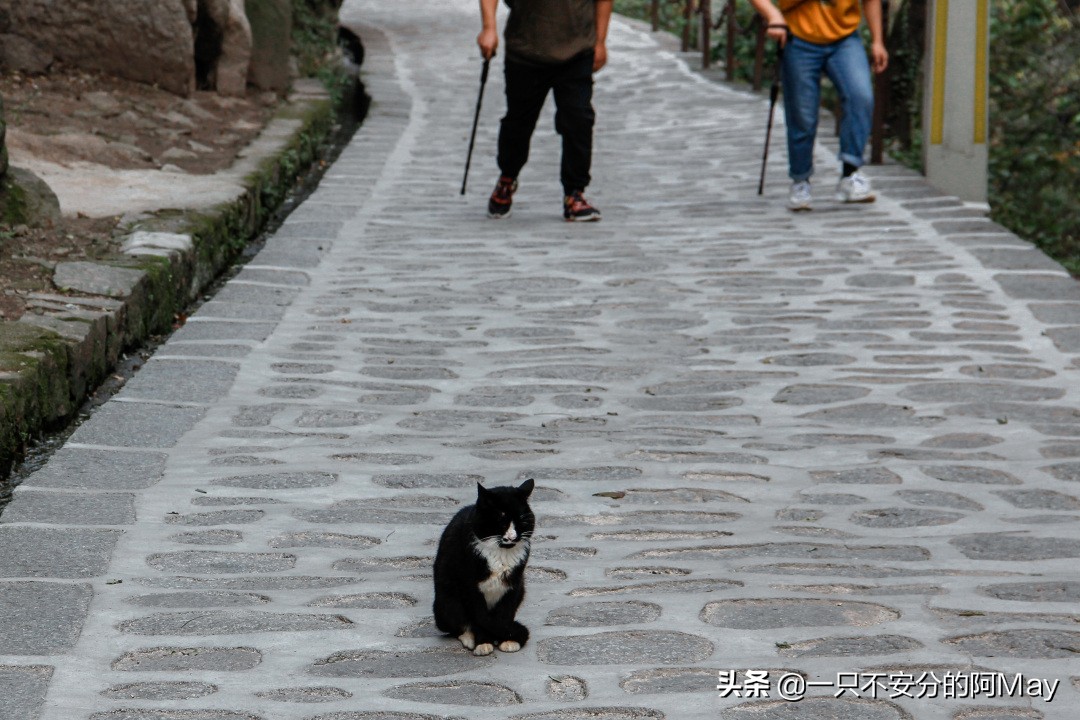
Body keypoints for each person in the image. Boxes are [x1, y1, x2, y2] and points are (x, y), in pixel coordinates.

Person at [478, 0, 612, 222]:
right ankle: (507, 179)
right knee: (518, 122)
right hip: (526, 51)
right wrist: (488, 29)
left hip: (577, 50)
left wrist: (600, 41)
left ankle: (574, 193)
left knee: (578, 119)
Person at [749, 0, 888, 211]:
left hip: (845, 38)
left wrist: (877, 40)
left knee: (860, 96)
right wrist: (772, 14)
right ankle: (800, 181)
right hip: (799, 38)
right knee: (802, 114)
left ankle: (850, 174)